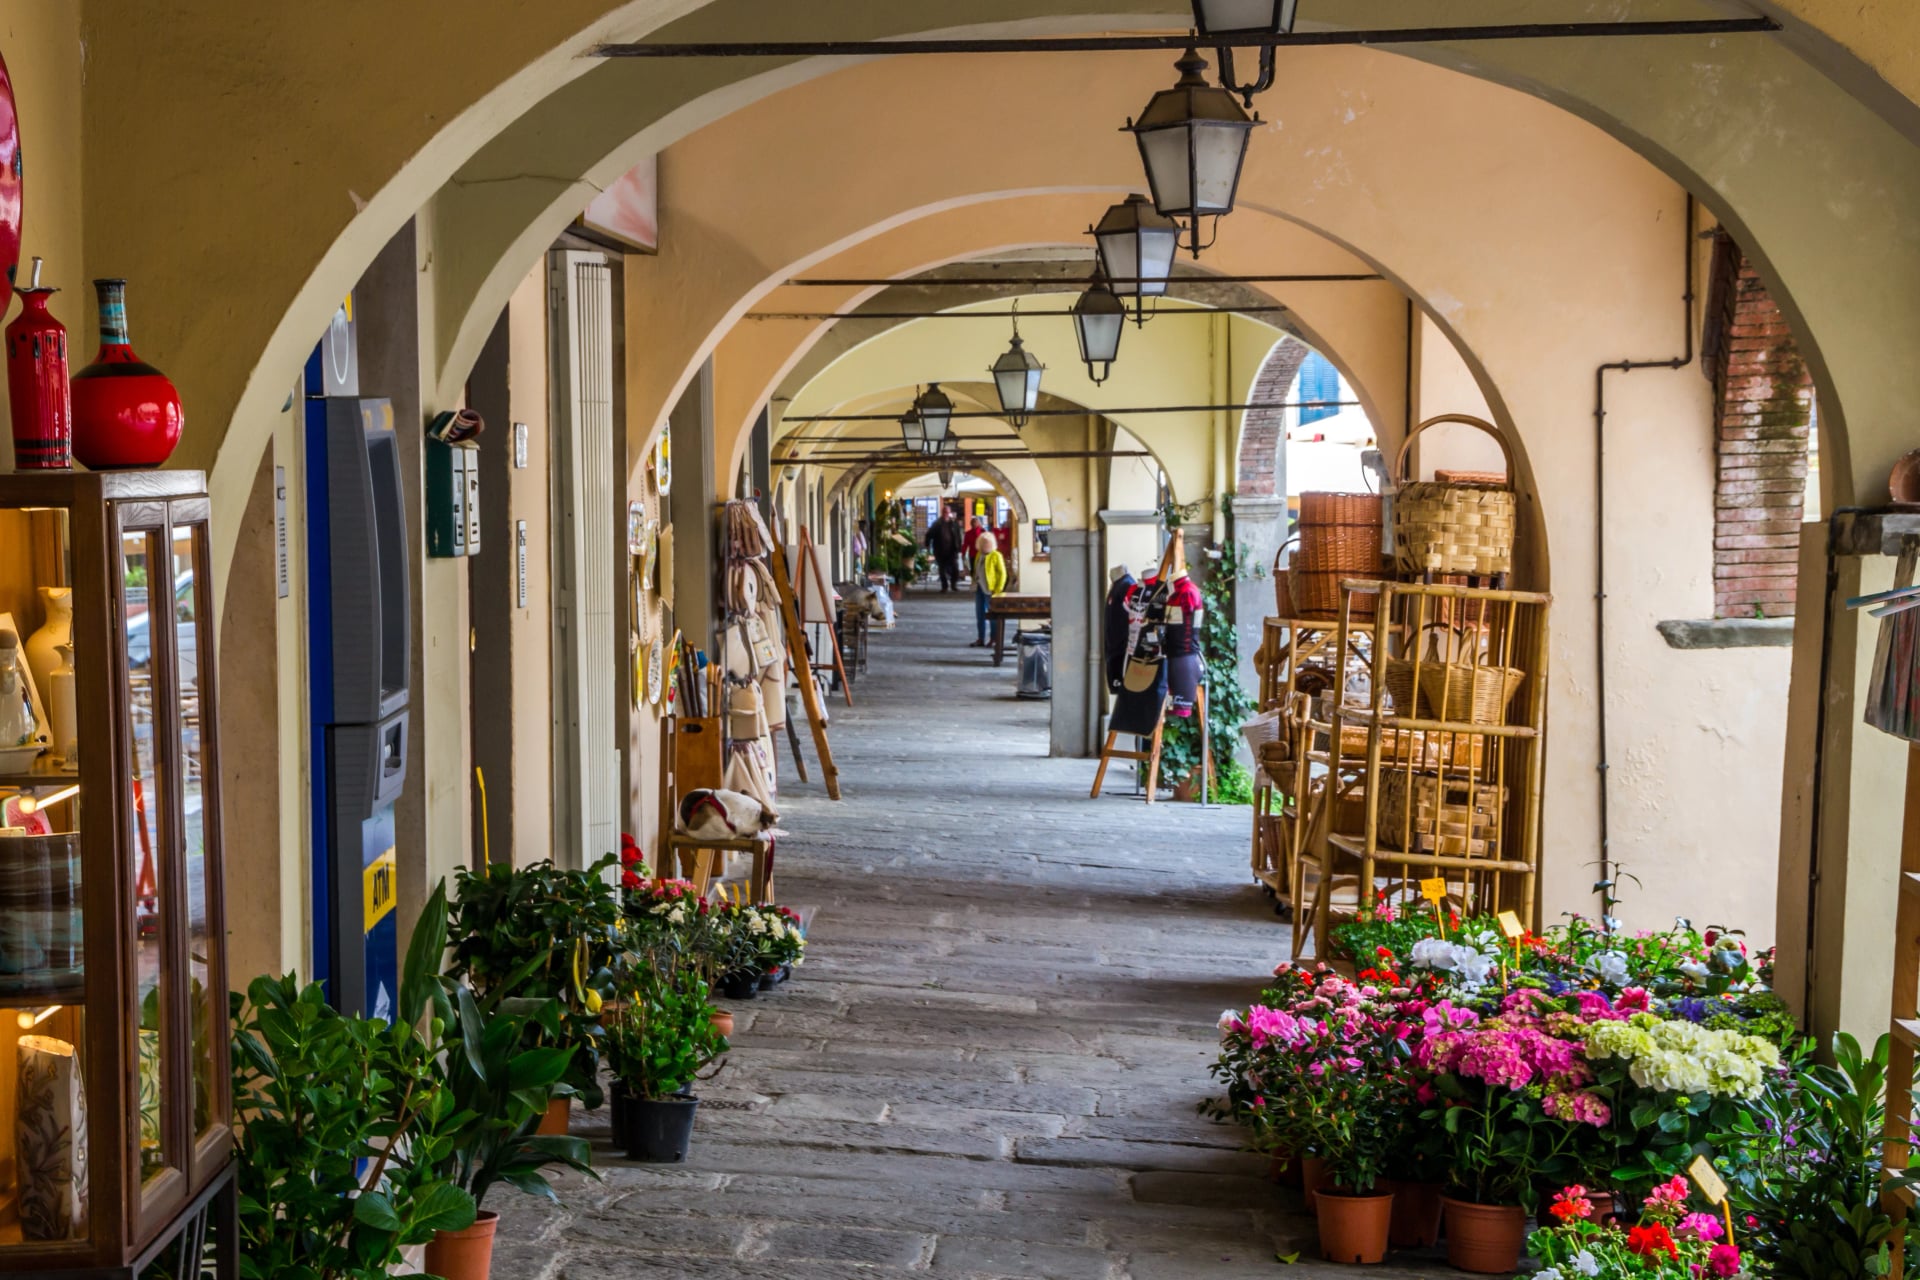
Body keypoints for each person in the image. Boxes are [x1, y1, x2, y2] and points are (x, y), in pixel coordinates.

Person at [970, 531, 1007, 647]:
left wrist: (997, 589)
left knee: (993, 616)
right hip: (979, 589)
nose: (986, 546)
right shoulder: (979, 555)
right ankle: (980, 638)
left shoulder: (996, 555)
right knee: (979, 614)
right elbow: (976, 570)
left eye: (988, 544)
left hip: (990, 590)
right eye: (984, 544)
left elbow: (1002, 574)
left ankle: (994, 639)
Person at [925, 507, 964, 592]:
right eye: (945, 512)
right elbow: (929, 534)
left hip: (952, 550)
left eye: (948, 512)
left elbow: (958, 536)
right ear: (942, 513)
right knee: (942, 569)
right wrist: (927, 544)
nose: (946, 514)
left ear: (950, 513)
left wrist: (959, 547)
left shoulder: (954, 524)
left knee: (955, 568)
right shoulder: (937, 523)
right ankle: (944, 586)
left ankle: (954, 584)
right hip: (940, 550)